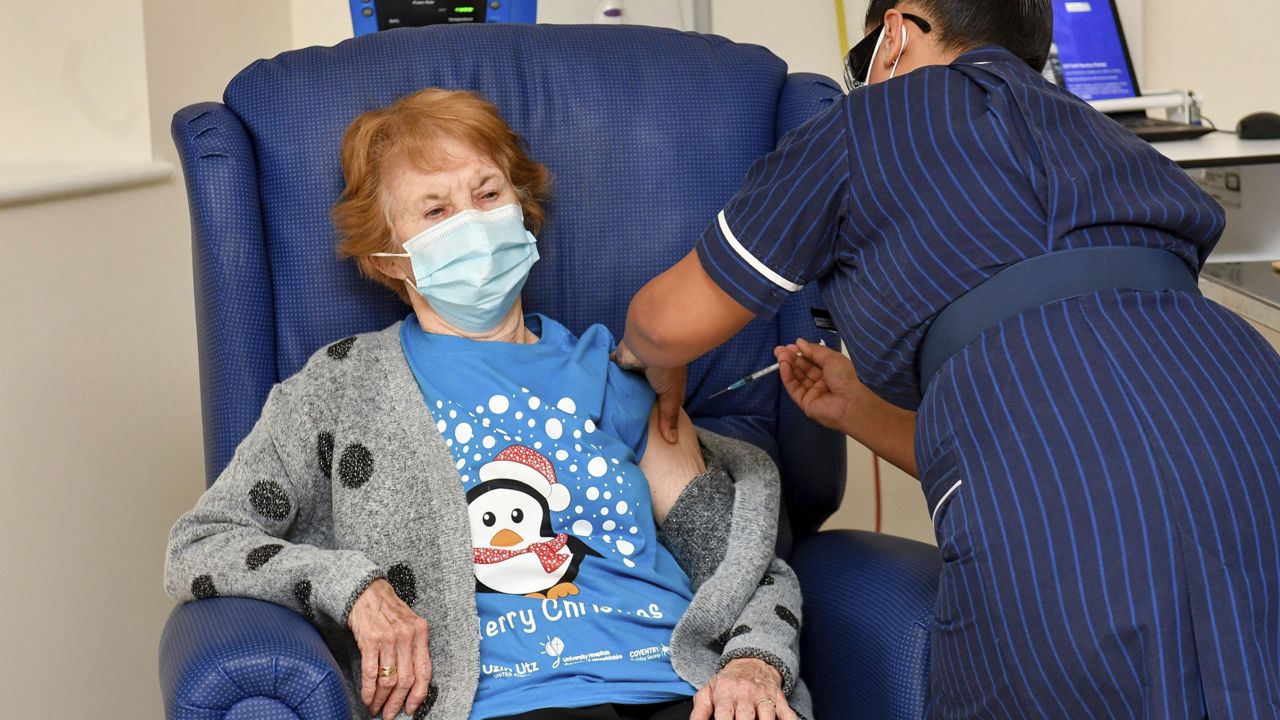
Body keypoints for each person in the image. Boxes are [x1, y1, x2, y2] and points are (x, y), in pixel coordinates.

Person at [618, 0, 1280, 717]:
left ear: (895, 32)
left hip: (1067, 489)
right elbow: (1090, 400)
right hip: (1248, 418)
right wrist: (860, 412)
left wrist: (649, 357)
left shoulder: (864, 124)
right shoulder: (1109, 139)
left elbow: (667, 321)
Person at [164, 88, 812, 720]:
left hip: (678, 681)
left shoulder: (614, 371)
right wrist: (352, 588)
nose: (472, 222)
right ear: (387, 256)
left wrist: (753, 664)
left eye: (487, 193)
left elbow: (739, 561)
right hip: (506, 700)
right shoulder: (340, 389)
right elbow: (202, 545)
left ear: (522, 207)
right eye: (436, 211)